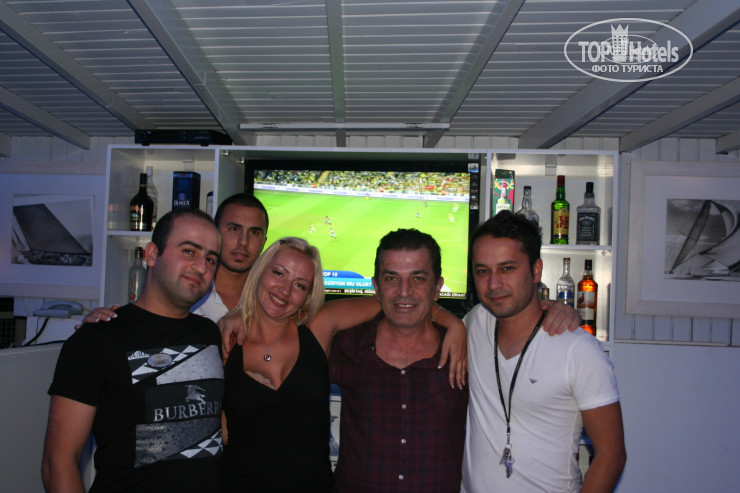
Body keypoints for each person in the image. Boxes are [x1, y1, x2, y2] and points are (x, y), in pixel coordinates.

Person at [42, 208, 223, 492]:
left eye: (211, 259)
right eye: (189, 251)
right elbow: (58, 463)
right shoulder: (96, 338)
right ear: (151, 255)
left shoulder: (209, 334)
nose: (201, 267)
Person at [461, 211, 626, 492]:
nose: (493, 284)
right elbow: (423, 316)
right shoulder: (475, 323)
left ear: (536, 270)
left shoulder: (579, 350)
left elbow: (611, 456)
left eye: (507, 269)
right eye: (483, 271)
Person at [328, 229, 468, 492]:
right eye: (392, 278)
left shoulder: (465, 353)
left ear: (438, 287)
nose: (404, 291)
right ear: (376, 287)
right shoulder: (345, 347)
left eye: (418, 278)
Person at [80, 193, 269, 327]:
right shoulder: (184, 288)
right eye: (234, 229)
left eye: (254, 232)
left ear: (264, 241)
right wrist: (103, 328)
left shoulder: (273, 299)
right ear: (215, 232)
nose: (243, 242)